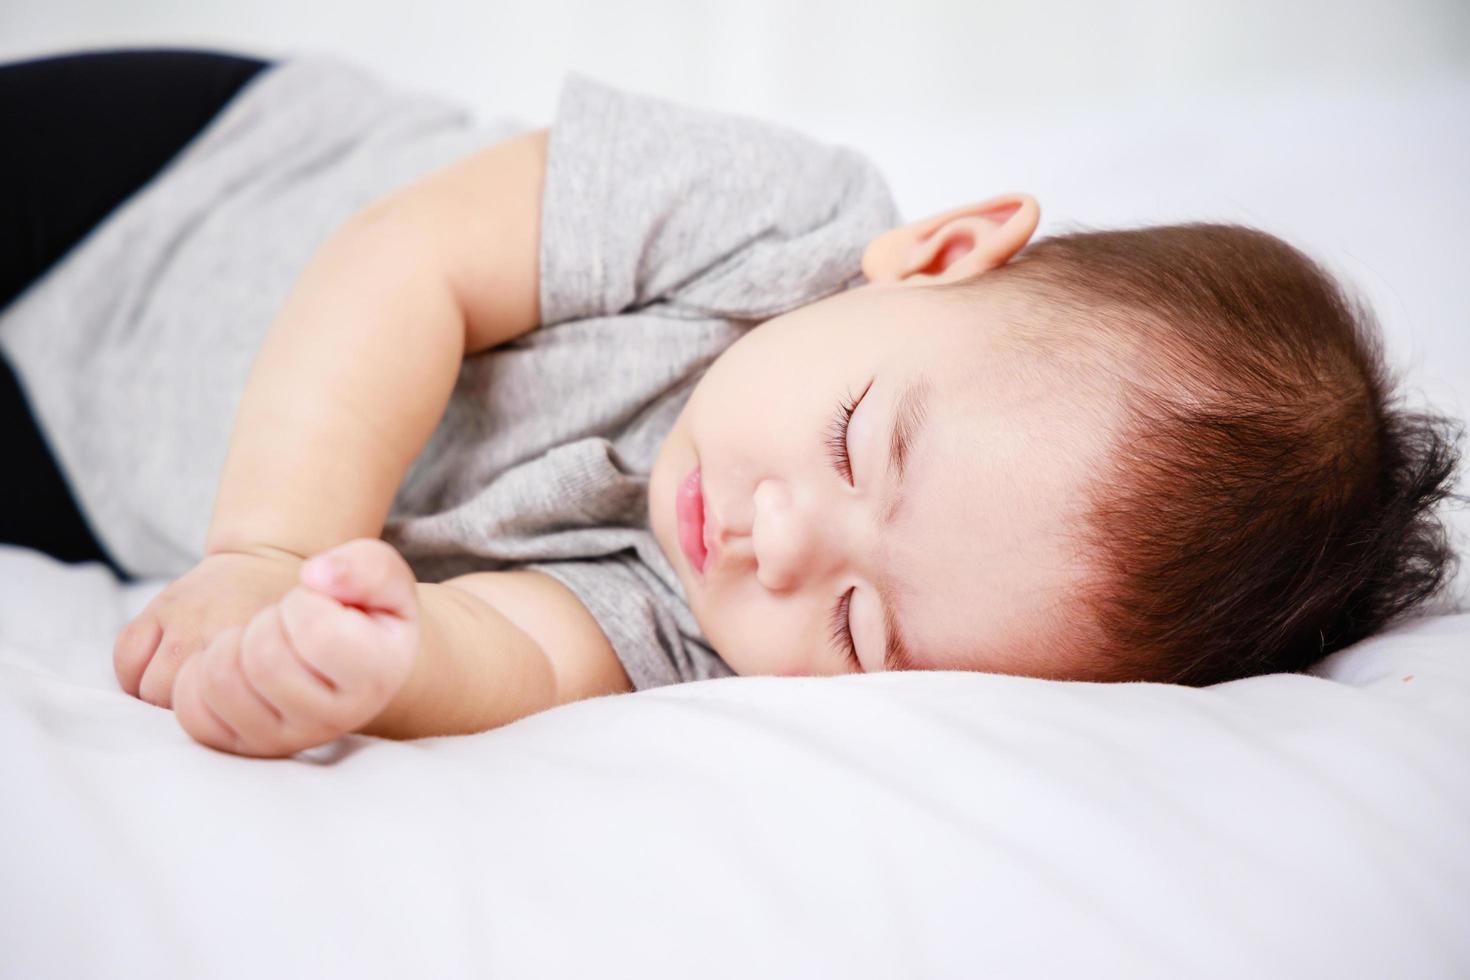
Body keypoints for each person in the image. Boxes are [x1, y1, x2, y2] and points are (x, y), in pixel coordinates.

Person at [1, 47, 1461, 759]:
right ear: (939, 256)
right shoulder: (769, 223)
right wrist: (266, 549)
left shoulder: (707, 643)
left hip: (88, 467)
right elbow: (409, 263)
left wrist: (370, 661)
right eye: (850, 443)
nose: (771, 541)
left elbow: (509, 651)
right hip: (166, 179)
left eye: (857, 626)